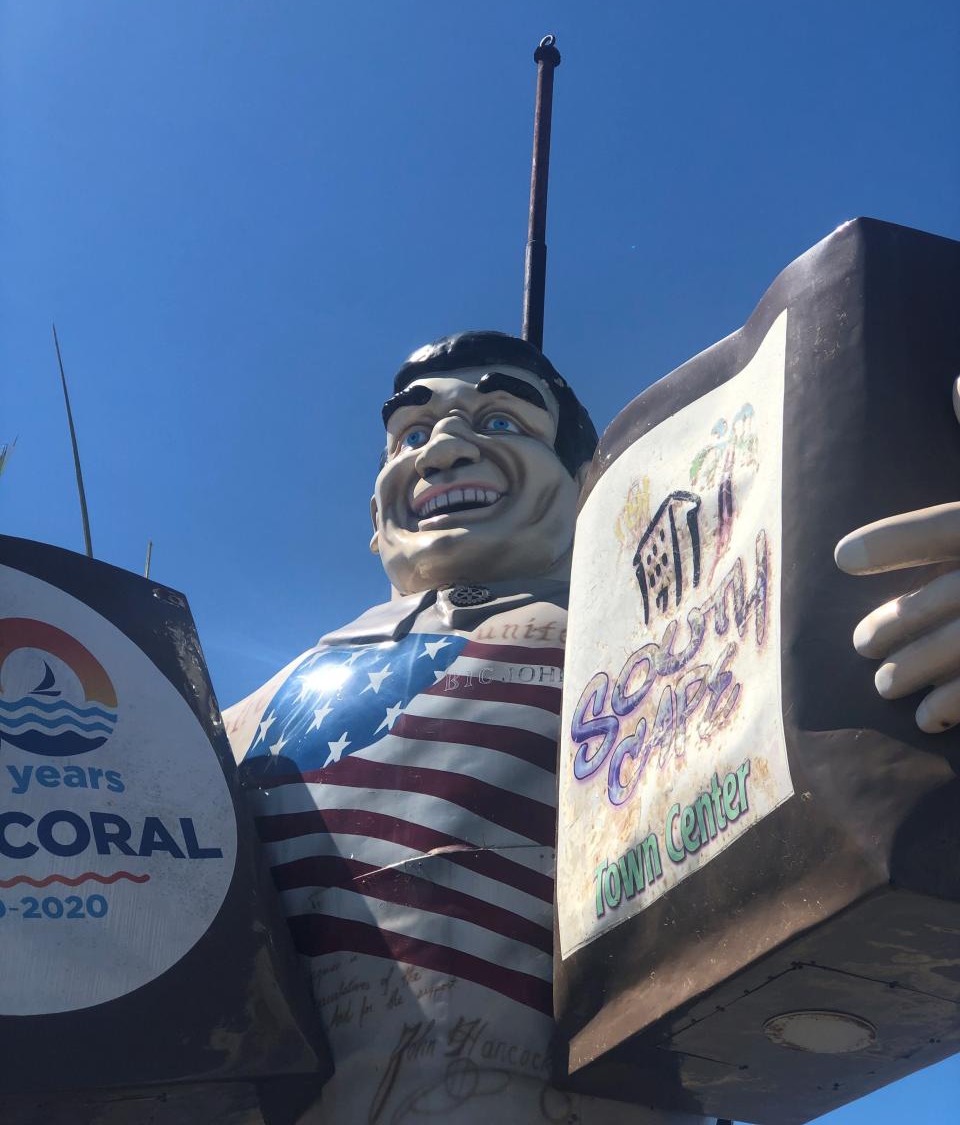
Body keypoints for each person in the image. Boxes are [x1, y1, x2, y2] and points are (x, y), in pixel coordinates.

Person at [225, 335, 960, 1124]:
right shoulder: (233, 714)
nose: (441, 451)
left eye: (501, 421)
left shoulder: (688, 637)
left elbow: (858, 772)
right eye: (410, 435)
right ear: (374, 516)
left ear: (590, 490)